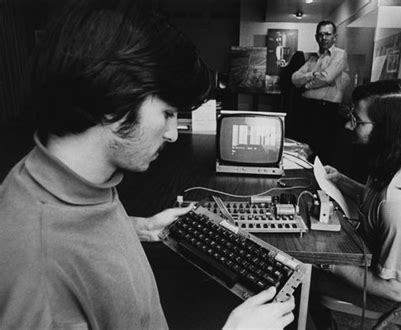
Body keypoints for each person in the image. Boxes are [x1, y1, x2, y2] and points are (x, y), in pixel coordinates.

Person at [0, 1, 295, 329]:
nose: (172, 134)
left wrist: (142, 227)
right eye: (168, 113)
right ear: (114, 100)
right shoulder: (36, 269)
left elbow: (80, 231)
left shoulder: (73, 179)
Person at [310, 80, 401, 327]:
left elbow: (397, 291)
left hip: (389, 292)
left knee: (298, 271)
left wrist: (329, 263)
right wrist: (342, 181)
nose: (347, 124)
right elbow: (377, 202)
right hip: (382, 257)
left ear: (388, 129)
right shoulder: (400, 161)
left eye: (358, 121)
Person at [291, 20, 349, 164]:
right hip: (308, 108)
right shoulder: (313, 58)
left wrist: (305, 85)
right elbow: (294, 78)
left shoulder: (340, 54)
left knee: (322, 154)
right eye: (320, 34)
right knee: (304, 150)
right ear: (316, 37)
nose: (324, 38)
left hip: (326, 111)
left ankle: (319, 185)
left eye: (327, 34)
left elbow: (327, 77)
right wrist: (312, 75)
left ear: (334, 36)